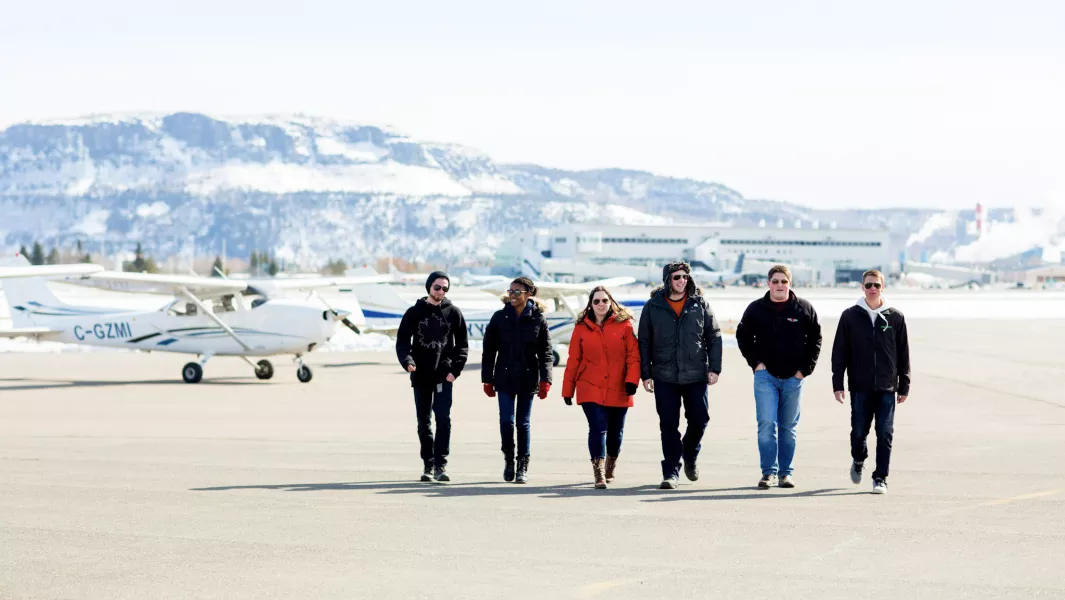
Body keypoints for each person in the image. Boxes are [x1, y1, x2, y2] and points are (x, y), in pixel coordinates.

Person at [638, 261, 723, 490]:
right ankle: (670, 472)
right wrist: (645, 374)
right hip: (665, 376)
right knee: (668, 425)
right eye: (677, 277)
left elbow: (714, 336)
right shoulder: (653, 307)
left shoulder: (699, 304)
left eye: (685, 276)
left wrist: (714, 368)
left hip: (696, 374)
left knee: (700, 420)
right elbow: (644, 343)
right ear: (667, 280)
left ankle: (690, 453)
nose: (682, 280)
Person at [736, 265, 822, 489]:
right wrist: (756, 364)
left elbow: (815, 340)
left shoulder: (803, 308)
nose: (780, 285)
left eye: (784, 281)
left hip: (794, 378)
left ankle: (786, 473)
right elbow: (743, 336)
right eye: (775, 281)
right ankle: (768, 473)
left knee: (788, 428)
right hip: (765, 377)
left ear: (790, 283)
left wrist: (804, 370)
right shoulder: (756, 309)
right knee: (766, 424)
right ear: (768, 284)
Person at [831, 269, 911, 495]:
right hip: (859, 386)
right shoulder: (850, 316)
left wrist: (904, 384)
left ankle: (880, 478)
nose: (872, 289)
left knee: (885, 433)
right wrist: (838, 383)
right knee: (858, 432)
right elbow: (840, 352)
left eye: (876, 285)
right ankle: (858, 459)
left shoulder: (895, 317)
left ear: (883, 287)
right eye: (868, 285)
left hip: (887, 387)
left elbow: (903, 354)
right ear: (862, 288)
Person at [561, 286, 640, 489]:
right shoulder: (581, 328)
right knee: (597, 427)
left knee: (616, 431)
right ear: (591, 304)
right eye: (596, 301)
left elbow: (633, 355)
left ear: (611, 302)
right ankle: (598, 471)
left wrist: (632, 380)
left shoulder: (625, 325)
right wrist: (567, 390)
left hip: (619, 385)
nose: (601, 305)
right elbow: (573, 360)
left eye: (604, 300)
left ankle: (611, 464)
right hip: (590, 385)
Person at [396, 271, 468, 483]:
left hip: (444, 376)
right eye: (437, 287)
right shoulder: (414, 313)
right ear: (429, 287)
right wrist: (408, 361)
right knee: (424, 422)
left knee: (443, 420)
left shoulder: (453, 313)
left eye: (445, 288)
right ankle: (428, 464)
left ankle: (441, 465)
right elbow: (402, 342)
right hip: (420, 376)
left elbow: (462, 346)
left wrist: (455, 370)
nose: (441, 291)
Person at [481, 276, 553, 484]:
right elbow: (488, 352)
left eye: (517, 292)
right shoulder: (499, 318)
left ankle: (523, 464)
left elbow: (546, 353)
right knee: (506, 421)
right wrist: (487, 379)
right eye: (510, 291)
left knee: (523, 423)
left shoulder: (538, 319)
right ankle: (509, 460)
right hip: (503, 378)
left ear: (528, 294)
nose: (512, 295)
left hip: (528, 378)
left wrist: (545, 380)